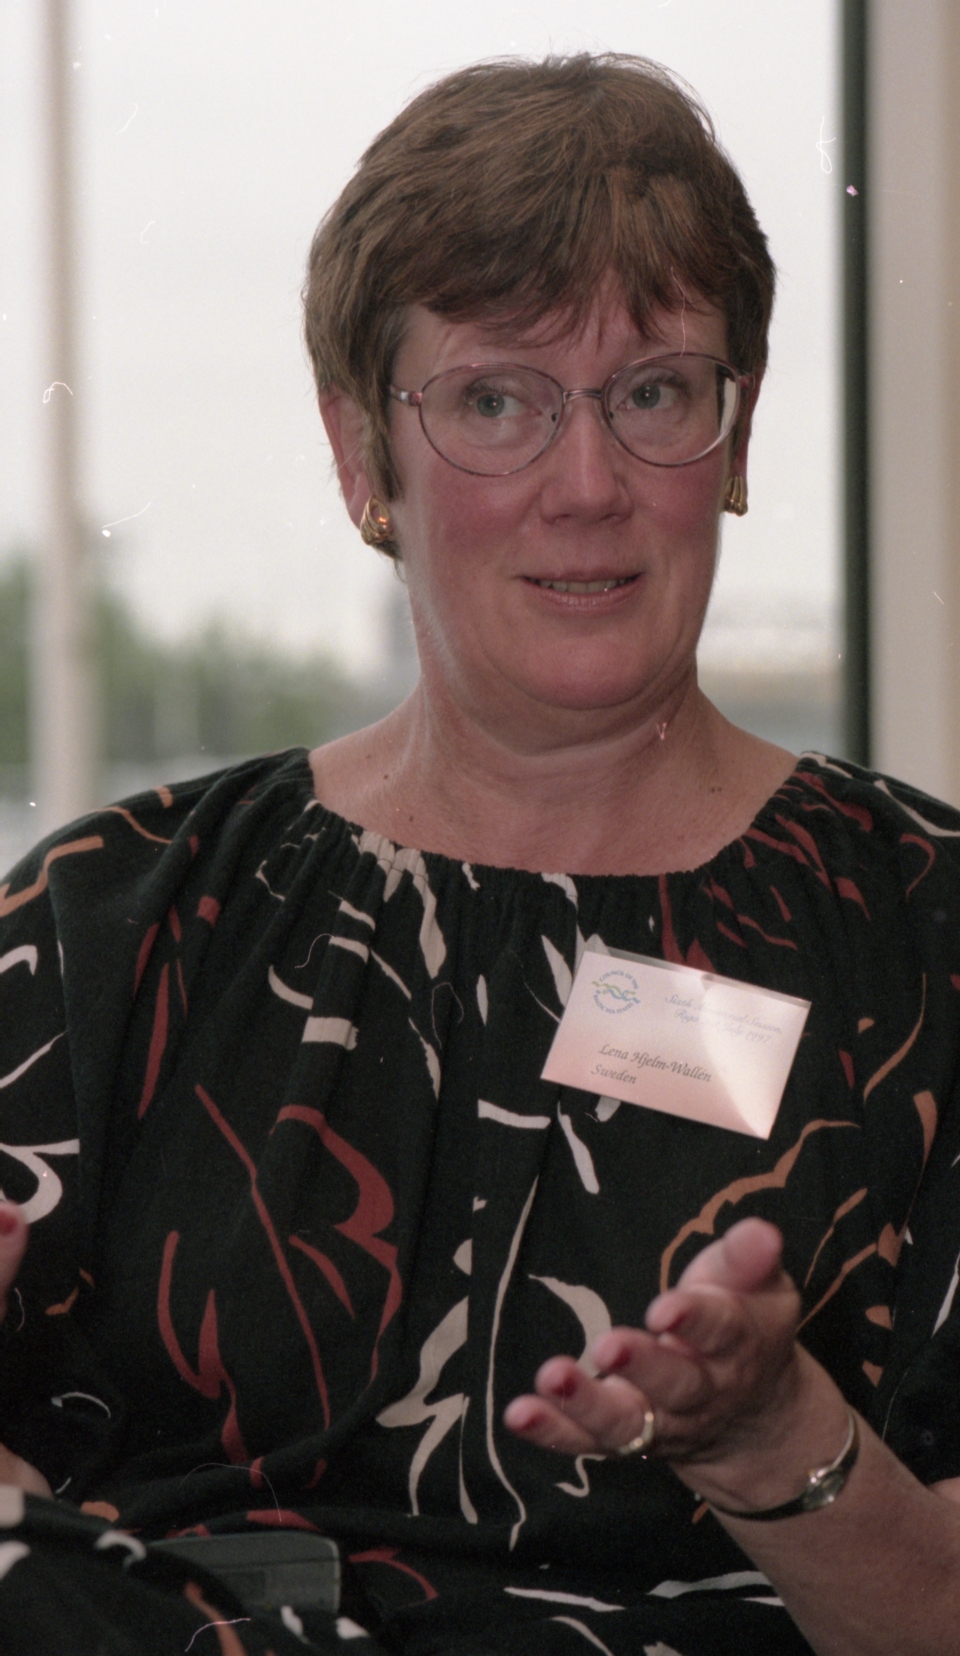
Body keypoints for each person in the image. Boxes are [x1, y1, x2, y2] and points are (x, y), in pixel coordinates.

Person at [1, 51, 960, 1656]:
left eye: (655, 394)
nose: (586, 487)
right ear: (360, 454)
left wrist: (768, 1438)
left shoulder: (925, 937)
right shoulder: (113, 930)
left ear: (736, 437)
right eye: (497, 402)